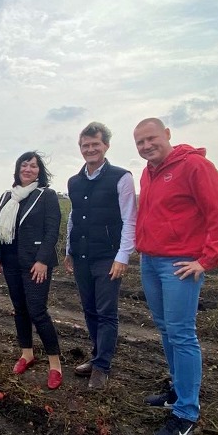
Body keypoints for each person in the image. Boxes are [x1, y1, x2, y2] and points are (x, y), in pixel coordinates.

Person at [133, 117, 218, 435]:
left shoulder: (194, 166)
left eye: (151, 138)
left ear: (167, 135)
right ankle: (177, 390)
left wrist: (206, 260)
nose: (146, 146)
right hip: (150, 260)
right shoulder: (149, 173)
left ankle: (186, 415)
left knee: (181, 333)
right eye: (139, 143)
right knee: (165, 328)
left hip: (178, 265)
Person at [63, 122, 137, 389]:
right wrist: (69, 249)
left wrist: (123, 256)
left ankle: (102, 366)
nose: (91, 149)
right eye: (86, 145)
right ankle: (96, 357)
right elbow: (73, 216)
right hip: (82, 255)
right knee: (90, 310)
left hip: (108, 256)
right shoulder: (75, 181)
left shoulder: (121, 177)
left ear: (106, 145)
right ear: (80, 148)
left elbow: (130, 220)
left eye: (96, 144)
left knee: (106, 312)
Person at [0, 152, 64, 389]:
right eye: (24, 164)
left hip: (35, 264)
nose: (28, 169)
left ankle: (55, 364)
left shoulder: (46, 196)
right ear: (17, 168)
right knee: (20, 310)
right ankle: (27, 354)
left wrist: (43, 260)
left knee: (37, 311)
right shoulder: (6, 196)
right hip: (11, 262)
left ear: (39, 171)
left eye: (33, 166)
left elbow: (52, 230)